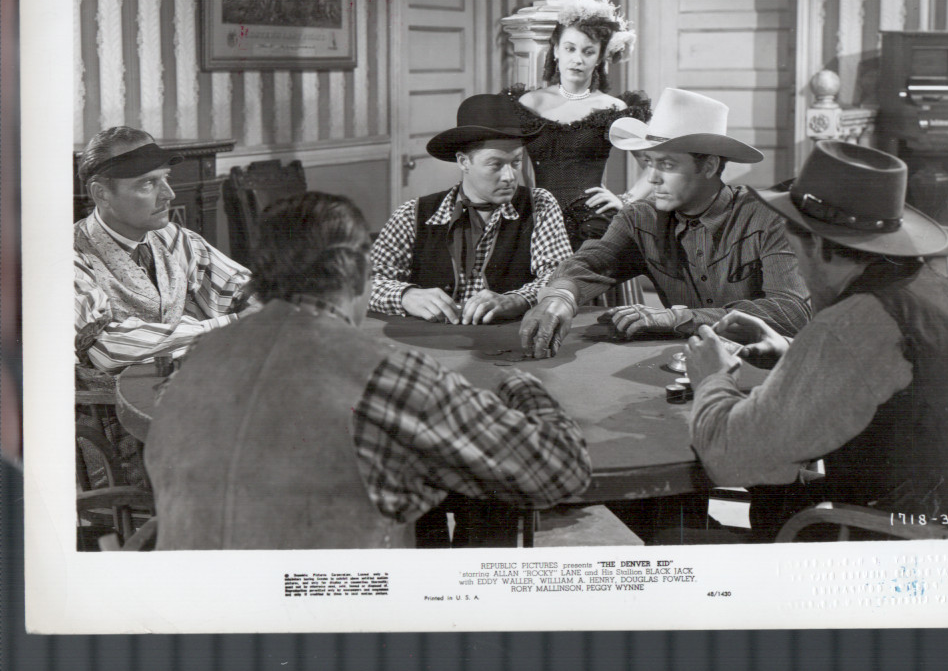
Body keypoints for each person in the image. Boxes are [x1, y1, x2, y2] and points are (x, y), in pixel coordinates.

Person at [144, 193, 591, 550]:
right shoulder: (385, 372)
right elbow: (559, 470)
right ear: (360, 274)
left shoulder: (197, 356)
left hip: (189, 613)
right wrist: (520, 385)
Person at [684, 140, 948, 542]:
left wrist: (712, 377)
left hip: (890, 542)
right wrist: (794, 354)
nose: (799, 270)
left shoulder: (855, 322)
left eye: (794, 253)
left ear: (815, 244)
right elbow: (903, 386)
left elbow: (731, 459)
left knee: (669, 535)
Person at [520, 87, 811, 360]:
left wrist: (678, 318)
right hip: (685, 368)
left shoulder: (767, 217)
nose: (653, 178)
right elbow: (592, 263)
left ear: (709, 166)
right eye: (650, 163)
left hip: (764, 372)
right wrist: (560, 296)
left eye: (667, 165)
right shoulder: (640, 218)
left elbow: (789, 313)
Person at [369, 93, 573, 326]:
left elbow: (561, 277)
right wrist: (405, 295)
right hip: (428, 340)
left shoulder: (539, 205)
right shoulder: (413, 214)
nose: (509, 176)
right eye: (495, 164)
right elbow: (361, 283)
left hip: (509, 340)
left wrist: (516, 300)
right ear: (463, 162)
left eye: (516, 162)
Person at [74, 126, 255, 373]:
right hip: (113, 397)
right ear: (101, 194)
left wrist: (260, 305)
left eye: (165, 178)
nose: (169, 194)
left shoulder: (174, 238)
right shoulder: (70, 257)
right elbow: (106, 348)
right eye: (148, 183)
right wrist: (232, 325)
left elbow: (241, 287)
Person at [505, 0, 653, 250]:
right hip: (538, 220)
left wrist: (626, 200)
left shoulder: (613, 108)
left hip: (593, 223)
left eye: (588, 51)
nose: (578, 59)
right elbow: (508, 161)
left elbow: (654, 164)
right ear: (556, 51)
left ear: (599, 58)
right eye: (570, 49)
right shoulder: (529, 103)